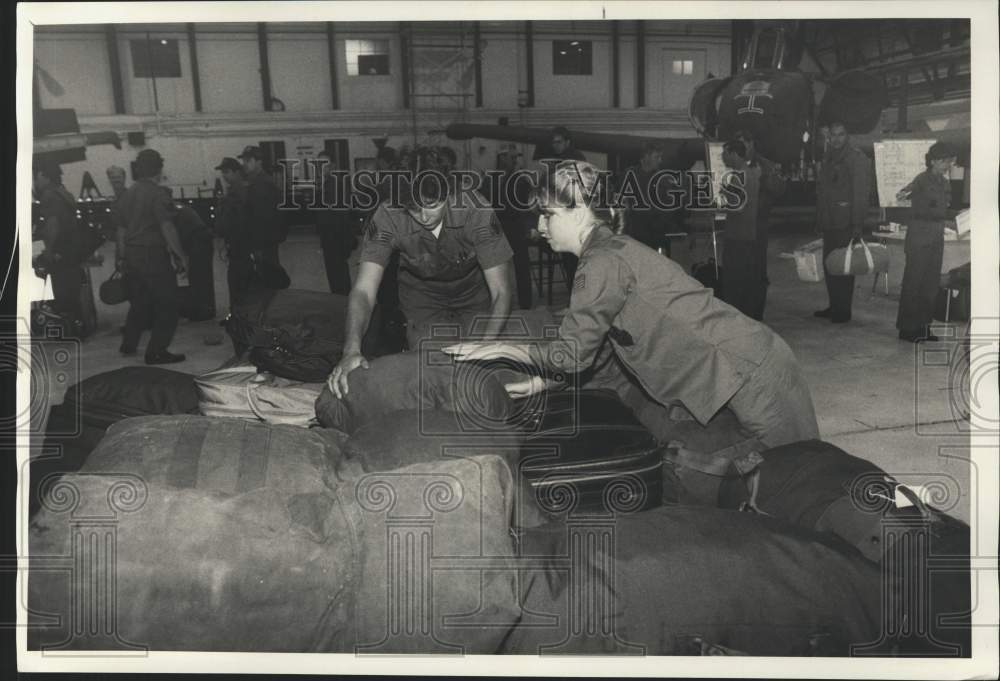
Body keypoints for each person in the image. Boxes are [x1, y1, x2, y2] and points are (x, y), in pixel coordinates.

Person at [444, 160, 819, 449]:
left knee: (795, 478)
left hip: (751, 370)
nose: (540, 227)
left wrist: (498, 348)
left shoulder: (602, 261)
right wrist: (542, 383)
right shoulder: (605, 253)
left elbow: (573, 354)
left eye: (547, 215)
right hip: (743, 368)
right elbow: (607, 344)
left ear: (577, 211)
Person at [327, 148, 514, 397]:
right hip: (422, 297)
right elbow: (363, 290)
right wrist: (350, 350)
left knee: (481, 373)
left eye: (432, 206)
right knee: (430, 372)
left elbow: (501, 291)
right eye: (414, 209)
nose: (424, 217)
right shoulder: (387, 214)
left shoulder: (476, 209)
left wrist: (487, 347)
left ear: (448, 190)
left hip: (474, 293)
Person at [114, 149, 188, 364]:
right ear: (159, 168)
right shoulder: (158, 193)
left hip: (132, 255)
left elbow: (121, 230)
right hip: (152, 256)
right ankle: (156, 351)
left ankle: (129, 344)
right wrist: (180, 256)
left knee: (140, 301)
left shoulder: (128, 194)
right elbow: (167, 226)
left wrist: (121, 257)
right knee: (168, 303)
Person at [895, 141, 959, 343]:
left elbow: (944, 208)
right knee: (914, 283)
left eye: (949, 161)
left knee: (930, 284)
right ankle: (907, 328)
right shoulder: (921, 180)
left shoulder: (944, 182)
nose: (948, 165)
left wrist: (958, 216)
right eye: (945, 161)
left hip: (936, 237)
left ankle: (924, 326)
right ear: (933, 161)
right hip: (919, 237)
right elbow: (902, 195)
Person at [814, 120, 871, 324]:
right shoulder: (828, 157)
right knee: (830, 264)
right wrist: (820, 220)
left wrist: (857, 224)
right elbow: (823, 192)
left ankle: (843, 310)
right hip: (829, 222)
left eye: (840, 135)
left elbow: (861, 193)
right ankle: (834, 305)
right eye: (833, 135)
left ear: (848, 136)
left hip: (845, 222)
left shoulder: (856, 158)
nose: (836, 139)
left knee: (845, 266)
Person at [734, 129, 786, 319]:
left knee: (756, 271)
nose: (743, 147)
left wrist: (764, 177)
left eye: (746, 143)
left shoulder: (766, 165)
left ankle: (756, 314)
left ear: (752, 143)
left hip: (757, 226)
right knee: (738, 270)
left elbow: (780, 189)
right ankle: (739, 312)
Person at [33, 160, 86, 332]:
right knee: (71, 290)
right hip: (71, 249)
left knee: (61, 290)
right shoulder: (64, 192)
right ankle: (78, 326)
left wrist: (49, 249)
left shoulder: (49, 195)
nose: (36, 181)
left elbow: (53, 223)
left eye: (38, 177)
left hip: (60, 250)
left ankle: (68, 328)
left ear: (45, 177)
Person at [719, 140, 766, 320]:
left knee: (734, 279)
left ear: (734, 154)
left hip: (737, 235)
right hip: (748, 234)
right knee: (746, 278)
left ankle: (735, 317)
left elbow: (737, 207)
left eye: (725, 154)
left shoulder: (739, 176)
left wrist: (719, 206)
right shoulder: (752, 172)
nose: (723, 157)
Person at [621, 142, 683, 257]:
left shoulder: (663, 179)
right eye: (657, 157)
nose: (660, 161)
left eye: (660, 157)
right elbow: (622, 202)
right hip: (634, 234)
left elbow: (670, 207)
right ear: (645, 157)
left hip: (656, 235)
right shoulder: (629, 174)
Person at [543, 127, 587, 287]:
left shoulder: (569, 161)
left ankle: (574, 300)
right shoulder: (566, 160)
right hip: (572, 217)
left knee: (573, 263)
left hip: (572, 218)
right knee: (573, 263)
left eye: (559, 142)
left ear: (567, 142)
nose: (555, 145)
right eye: (553, 142)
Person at [492, 147, 534, 309]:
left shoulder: (520, 180)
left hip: (515, 227)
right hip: (497, 227)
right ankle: (500, 303)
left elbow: (528, 204)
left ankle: (525, 305)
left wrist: (530, 227)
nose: (514, 161)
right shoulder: (492, 179)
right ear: (501, 158)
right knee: (497, 268)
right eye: (511, 158)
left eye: (514, 158)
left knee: (521, 266)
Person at [238, 145, 286, 283]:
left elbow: (263, 219)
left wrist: (256, 246)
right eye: (244, 161)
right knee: (267, 277)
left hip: (263, 243)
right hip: (264, 242)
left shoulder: (263, 184)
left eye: (248, 160)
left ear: (259, 161)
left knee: (268, 278)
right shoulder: (258, 182)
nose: (244, 164)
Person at [313, 150, 357, 295]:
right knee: (335, 274)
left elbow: (342, 213)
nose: (322, 167)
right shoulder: (326, 183)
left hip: (336, 238)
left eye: (325, 164)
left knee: (338, 275)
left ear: (332, 165)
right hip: (330, 237)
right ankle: (341, 302)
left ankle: (342, 304)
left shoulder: (335, 184)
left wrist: (344, 242)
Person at [213, 157, 251, 307]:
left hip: (240, 246)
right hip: (240, 245)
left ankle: (238, 318)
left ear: (237, 172)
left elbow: (229, 223)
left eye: (227, 172)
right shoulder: (240, 190)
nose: (224, 175)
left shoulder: (237, 193)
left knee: (237, 283)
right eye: (222, 172)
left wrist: (221, 208)